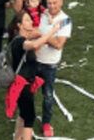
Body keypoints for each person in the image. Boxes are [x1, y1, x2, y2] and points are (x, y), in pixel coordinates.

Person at [8, 11, 63, 140]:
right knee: (30, 118)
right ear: (19, 25)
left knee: (23, 114)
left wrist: (41, 38)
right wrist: (52, 32)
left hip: (26, 82)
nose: (31, 22)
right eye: (27, 20)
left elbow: (34, 52)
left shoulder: (24, 39)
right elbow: (33, 45)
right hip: (23, 85)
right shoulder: (19, 41)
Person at [35, 0, 72, 138]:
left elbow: (58, 44)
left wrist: (41, 36)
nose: (52, 6)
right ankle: (25, 118)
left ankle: (46, 123)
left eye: (55, 3)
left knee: (48, 95)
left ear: (61, 2)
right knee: (27, 92)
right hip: (35, 60)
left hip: (50, 64)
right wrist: (50, 35)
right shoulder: (43, 14)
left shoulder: (65, 20)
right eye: (49, 3)